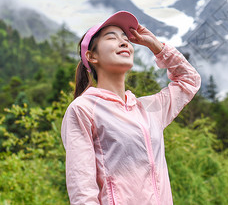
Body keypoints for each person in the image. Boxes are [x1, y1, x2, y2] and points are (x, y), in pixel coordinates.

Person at [61, 11, 201, 205]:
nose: (124, 42)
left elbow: (189, 80)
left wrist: (157, 46)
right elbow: (82, 190)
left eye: (126, 38)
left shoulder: (148, 108)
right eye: (112, 37)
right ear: (91, 56)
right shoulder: (83, 109)